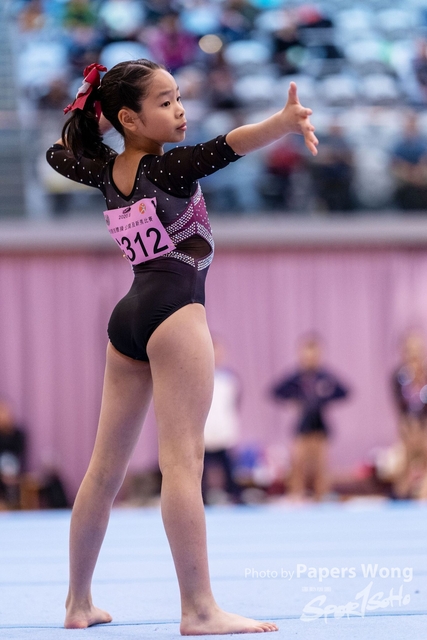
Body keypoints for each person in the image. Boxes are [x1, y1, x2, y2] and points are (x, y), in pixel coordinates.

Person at [46, 58, 318, 634]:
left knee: (103, 470)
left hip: (129, 318)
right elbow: (230, 146)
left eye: (178, 97)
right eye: (165, 102)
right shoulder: (167, 170)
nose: (179, 110)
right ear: (129, 118)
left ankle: (77, 602)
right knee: (182, 464)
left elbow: (55, 154)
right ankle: (198, 609)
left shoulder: (105, 171)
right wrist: (283, 122)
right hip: (176, 312)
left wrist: (91, 113)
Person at [271, 335, 348, 501]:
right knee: (298, 464)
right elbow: (275, 391)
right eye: (307, 354)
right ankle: (296, 495)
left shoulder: (325, 377)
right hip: (302, 425)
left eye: (314, 355)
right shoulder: (296, 378)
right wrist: (293, 400)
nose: (310, 358)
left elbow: (345, 391)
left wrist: (326, 399)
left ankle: (321, 496)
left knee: (321, 465)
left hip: (320, 425)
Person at [202, 336, 241, 504]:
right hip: (204, 429)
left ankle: (235, 495)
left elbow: (233, 404)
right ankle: (201, 497)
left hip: (222, 428)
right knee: (199, 468)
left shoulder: (229, 379)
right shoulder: (197, 376)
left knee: (228, 466)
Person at [391, 330, 427, 499]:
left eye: (417, 350)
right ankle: (401, 495)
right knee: (406, 461)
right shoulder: (399, 376)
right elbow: (400, 403)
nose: (414, 355)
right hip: (408, 425)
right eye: (410, 350)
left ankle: (423, 495)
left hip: (424, 424)